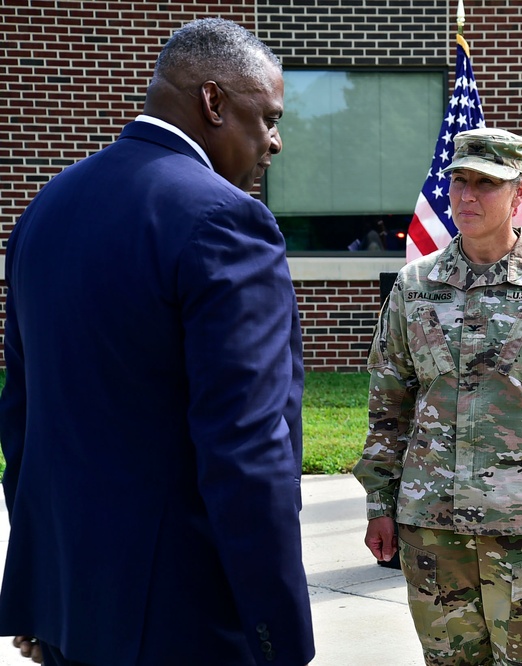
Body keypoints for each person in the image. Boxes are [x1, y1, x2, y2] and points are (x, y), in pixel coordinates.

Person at [0, 18, 314, 666]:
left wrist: (40, 594)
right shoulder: (225, 220)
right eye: (269, 117)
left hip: (73, 611)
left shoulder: (47, 209)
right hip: (185, 623)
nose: (275, 142)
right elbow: (247, 449)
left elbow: (22, 421)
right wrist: (279, 636)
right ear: (214, 102)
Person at [354, 127, 522, 665]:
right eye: (459, 182)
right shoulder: (415, 286)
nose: (468, 196)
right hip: (432, 521)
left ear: (519, 193)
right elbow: (389, 405)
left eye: (487, 183)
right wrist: (379, 504)